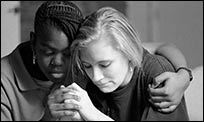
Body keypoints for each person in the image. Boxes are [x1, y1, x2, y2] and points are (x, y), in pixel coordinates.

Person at [1, 2, 190, 121]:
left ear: (129, 53)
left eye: (105, 65)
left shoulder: (159, 79)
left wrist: (184, 74)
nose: (96, 77)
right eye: (87, 66)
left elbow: (161, 48)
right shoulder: (85, 75)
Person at [1, 1, 84, 121]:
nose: (57, 62)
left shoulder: (87, 71)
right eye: (48, 52)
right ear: (33, 43)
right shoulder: (4, 82)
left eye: (68, 54)